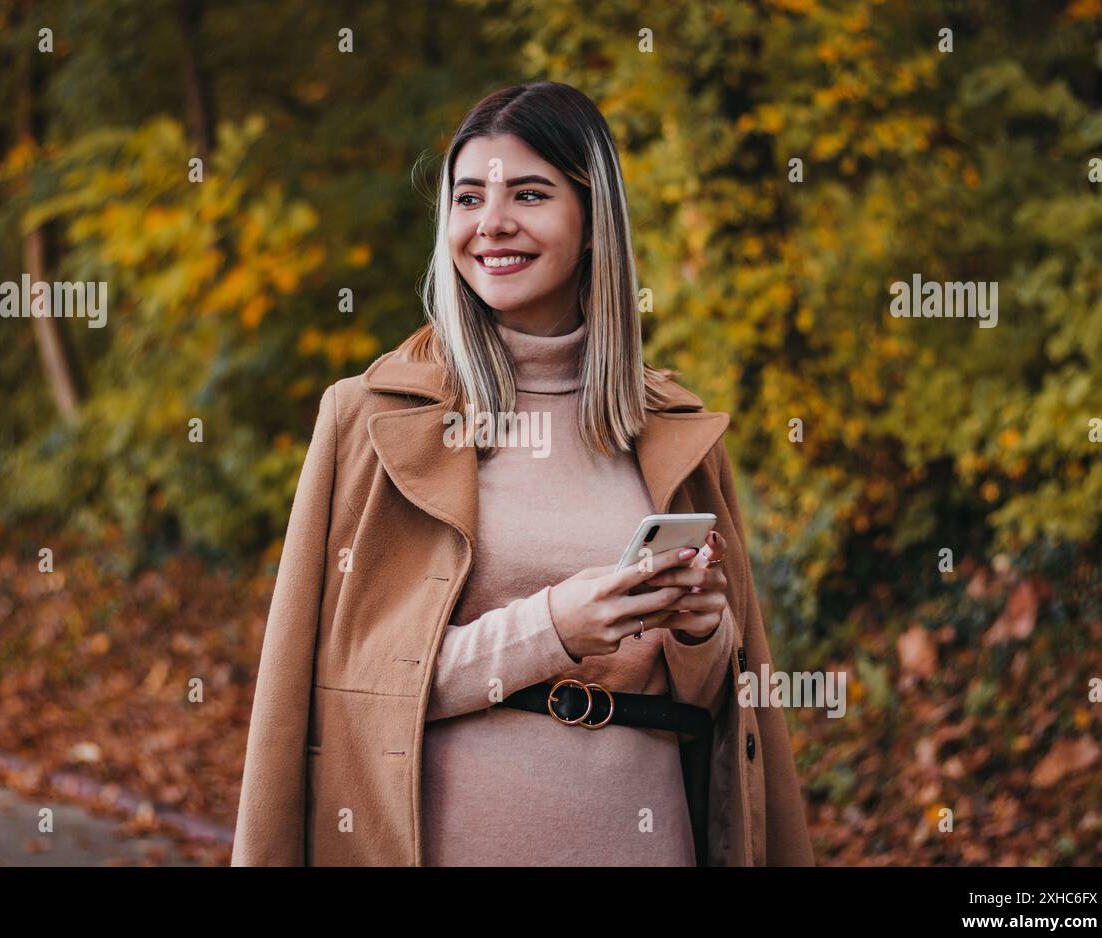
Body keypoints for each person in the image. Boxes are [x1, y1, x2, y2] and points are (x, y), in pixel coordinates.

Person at [231, 81, 814, 867]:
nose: (492, 222)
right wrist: (553, 631)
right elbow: (351, 689)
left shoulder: (675, 429)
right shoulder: (368, 418)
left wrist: (702, 629)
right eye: (468, 197)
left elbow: (720, 711)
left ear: (592, 222)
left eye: (530, 194)